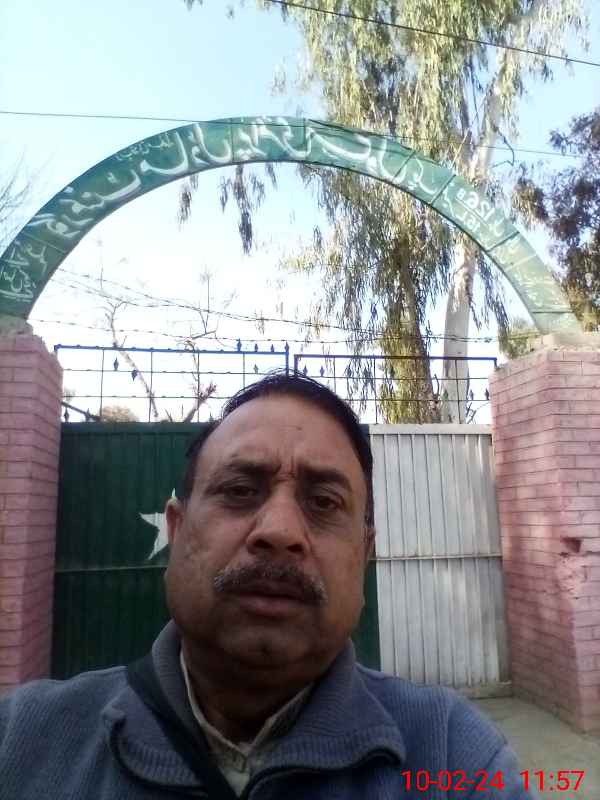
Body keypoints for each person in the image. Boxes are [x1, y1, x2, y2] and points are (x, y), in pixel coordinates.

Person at [0, 370, 533, 799]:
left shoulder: (455, 757)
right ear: (176, 532)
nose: (279, 532)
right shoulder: (20, 740)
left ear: (363, 556)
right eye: (239, 490)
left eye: (323, 502)